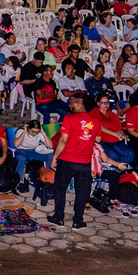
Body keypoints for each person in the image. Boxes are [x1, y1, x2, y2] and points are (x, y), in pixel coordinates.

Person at [48, 96, 99, 229]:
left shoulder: (69, 118)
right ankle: (78, 220)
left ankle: (59, 217)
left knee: (60, 189)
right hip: (84, 163)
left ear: (79, 103)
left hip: (67, 160)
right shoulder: (95, 121)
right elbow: (98, 139)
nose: (70, 104)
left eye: (71, 102)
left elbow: (63, 140)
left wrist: (54, 157)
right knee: (82, 193)